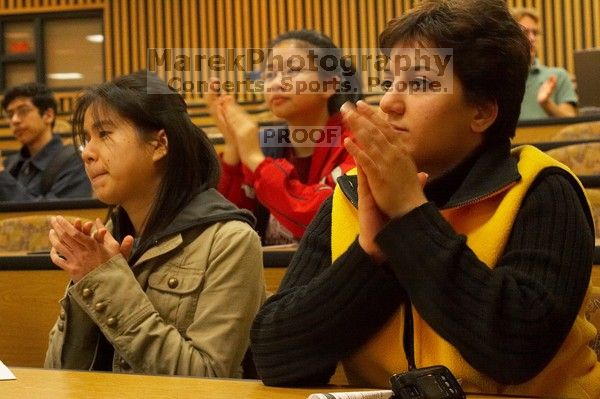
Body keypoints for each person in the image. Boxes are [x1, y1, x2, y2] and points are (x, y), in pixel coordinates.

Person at [250, 0, 599, 396]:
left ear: (482, 112)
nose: (388, 103)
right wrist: (371, 256)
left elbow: (514, 348)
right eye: (388, 83)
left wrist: (411, 218)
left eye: (419, 84)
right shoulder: (352, 194)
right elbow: (275, 356)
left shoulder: (542, 189)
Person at [44, 71, 265, 378]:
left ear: (160, 144)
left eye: (104, 134)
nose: (88, 153)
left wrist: (105, 282)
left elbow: (209, 379)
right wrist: (87, 278)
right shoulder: (104, 242)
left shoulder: (230, 241)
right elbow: (59, 374)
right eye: (86, 139)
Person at [207, 30, 362, 245]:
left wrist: (255, 160)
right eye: (269, 74)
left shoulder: (357, 141)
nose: (277, 83)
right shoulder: (267, 143)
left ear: (328, 85)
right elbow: (224, 225)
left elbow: (325, 217)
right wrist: (234, 144)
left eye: (293, 70)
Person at [0, 83, 92, 201]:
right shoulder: (10, 164)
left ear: (48, 115)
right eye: (10, 114)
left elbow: (52, 215)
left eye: (23, 111)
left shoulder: (75, 162)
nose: (14, 120)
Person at [513, 8, 578, 120]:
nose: (532, 38)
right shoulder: (499, 79)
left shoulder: (557, 76)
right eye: (525, 32)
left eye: (535, 33)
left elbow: (572, 124)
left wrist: (546, 103)